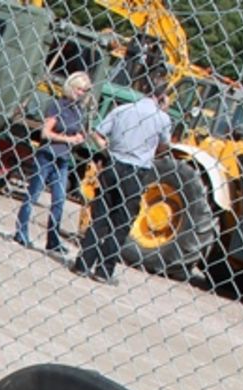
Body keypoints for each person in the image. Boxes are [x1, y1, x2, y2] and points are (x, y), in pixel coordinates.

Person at [71, 78, 174, 284]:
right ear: (162, 97)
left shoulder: (122, 109)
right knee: (121, 222)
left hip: (113, 164)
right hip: (136, 171)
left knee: (100, 215)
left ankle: (83, 263)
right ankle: (104, 270)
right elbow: (165, 147)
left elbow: (98, 134)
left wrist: (108, 149)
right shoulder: (162, 119)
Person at [15, 72, 93, 254]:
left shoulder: (79, 110)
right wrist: (67, 139)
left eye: (84, 90)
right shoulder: (57, 106)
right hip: (47, 154)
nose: (81, 93)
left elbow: (80, 132)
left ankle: (53, 240)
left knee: (59, 200)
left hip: (63, 159)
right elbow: (45, 133)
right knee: (33, 195)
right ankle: (21, 232)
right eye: (78, 89)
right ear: (70, 87)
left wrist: (81, 138)